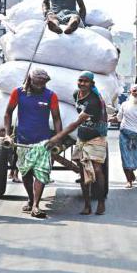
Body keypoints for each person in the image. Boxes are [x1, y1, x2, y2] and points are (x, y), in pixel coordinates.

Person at [2, 68, 62, 218]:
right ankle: (30, 198)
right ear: (30, 80)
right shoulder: (18, 93)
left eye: (43, 82)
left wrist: (58, 138)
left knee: (41, 173)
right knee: (26, 172)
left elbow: (56, 118)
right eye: (38, 82)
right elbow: (8, 113)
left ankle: (36, 205)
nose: (41, 85)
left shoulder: (51, 96)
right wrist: (8, 134)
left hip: (43, 142)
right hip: (23, 141)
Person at [50, 71, 109, 215]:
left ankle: (101, 202)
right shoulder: (76, 94)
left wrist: (58, 137)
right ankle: (87, 205)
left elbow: (76, 123)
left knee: (97, 170)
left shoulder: (94, 101)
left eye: (86, 81)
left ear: (91, 84)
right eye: (80, 80)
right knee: (82, 172)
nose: (82, 84)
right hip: (82, 137)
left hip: (96, 136)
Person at [117, 84, 137, 187]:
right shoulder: (124, 105)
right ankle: (129, 180)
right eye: (134, 91)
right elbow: (119, 118)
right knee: (125, 158)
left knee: (136, 160)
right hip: (124, 135)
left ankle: (131, 172)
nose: (136, 93)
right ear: (130, 92)